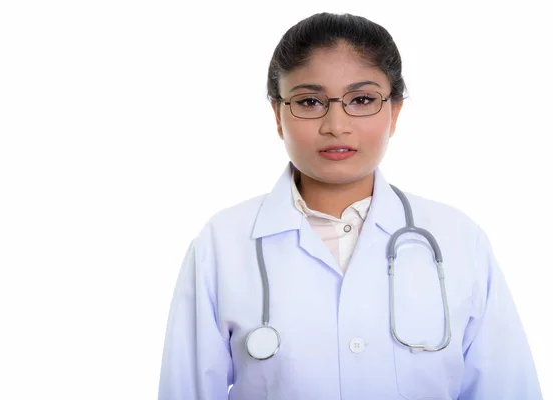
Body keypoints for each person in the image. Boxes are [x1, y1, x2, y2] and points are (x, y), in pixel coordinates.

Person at [158, 12, 542, 399]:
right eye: (310, 101)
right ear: (277, 114)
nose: (336, 125)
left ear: (394, 112)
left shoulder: (457, 239)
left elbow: (507, 389)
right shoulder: (222, 244)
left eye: (362, 100)